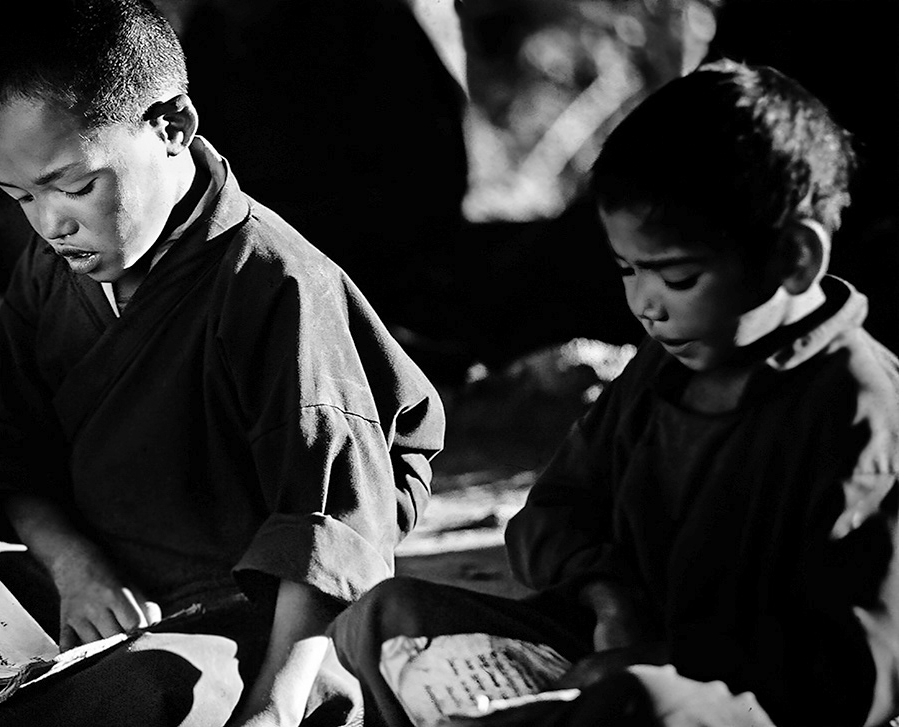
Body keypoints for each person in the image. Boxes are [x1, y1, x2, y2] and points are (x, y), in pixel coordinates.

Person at [328, 60, 899, 727]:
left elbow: (857, 679)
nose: (645, 305)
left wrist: (657, 670)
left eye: (677, 277)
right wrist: (608, 599)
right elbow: (553, 515)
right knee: (385, 617)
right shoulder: (664, 367)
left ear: (795, 257)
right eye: (628, 271)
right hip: (605, 656)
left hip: (733, 705)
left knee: (636, 707)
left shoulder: (858, 410)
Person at [0, 1, 445, 725]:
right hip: (95, 586)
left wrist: (275, 706)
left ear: (173, 128)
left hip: (261, 618)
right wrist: (74, 566)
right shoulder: (49, 266)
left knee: (104, 708)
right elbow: (14, 459)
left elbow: (332, 527)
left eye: (74, 184)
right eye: (18, 195)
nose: (50, 222)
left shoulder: (276, 287)